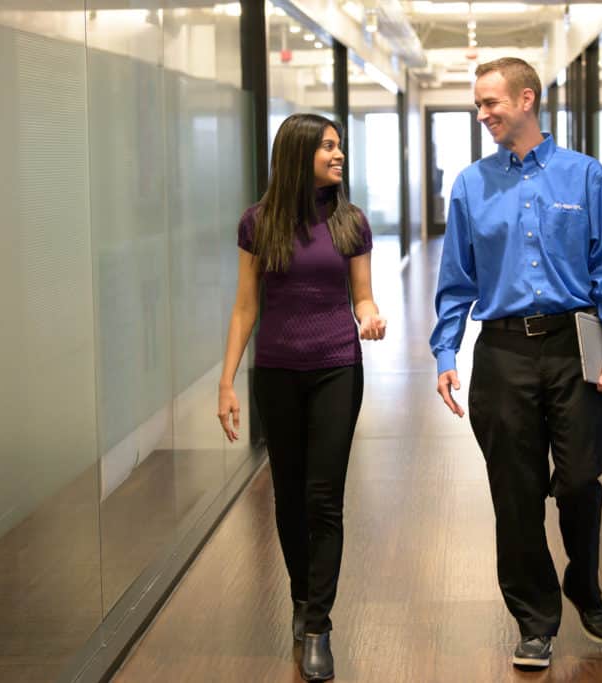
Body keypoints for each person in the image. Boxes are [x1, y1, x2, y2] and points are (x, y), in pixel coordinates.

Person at [430, 57, 602, 670]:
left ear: (526, 99)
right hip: (502, 352)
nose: (483, 114)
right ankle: (534, 620)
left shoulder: (585, 177)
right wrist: (446, 351)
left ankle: (585, 583)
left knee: (579, 479)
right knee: (514, 493)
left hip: (575, 347)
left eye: (491, 102)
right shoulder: (470, 185)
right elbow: (455, 280)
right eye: (477, 105)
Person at [218, 113, 386, 682]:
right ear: (297, 154)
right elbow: (245, 307)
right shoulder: (257, 224)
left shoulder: (350, 223)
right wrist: (226, 383)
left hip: (338, 367)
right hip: (277, 372)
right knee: (287, 499)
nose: (338, 156)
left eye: (340, 147)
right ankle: (300, 599)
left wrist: (370, 316)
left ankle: (318, 625)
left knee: (323, 498)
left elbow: (362, 296)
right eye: (328, 147)